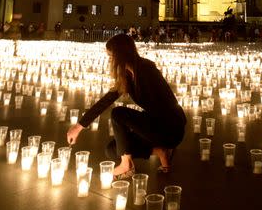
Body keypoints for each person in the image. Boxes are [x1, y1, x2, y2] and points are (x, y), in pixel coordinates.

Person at [66, 34, 186, 178]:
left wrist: (136, 125)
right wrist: (78, 127)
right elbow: (106, 100)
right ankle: (160, 151)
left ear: (121, 55)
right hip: (154, 125)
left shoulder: (146, 70)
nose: (109, 59)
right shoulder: (128, 75)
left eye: (111, 56)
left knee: (118, 114)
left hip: (170, 128)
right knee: (113, 150)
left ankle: (126, 165)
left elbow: (163, 108)